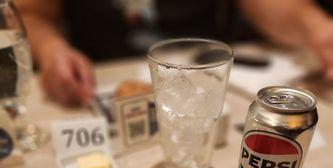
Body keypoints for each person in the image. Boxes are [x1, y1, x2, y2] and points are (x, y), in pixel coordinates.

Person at [15, 0, 333, 106]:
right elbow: (31, 12)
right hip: (97, 83)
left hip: (208, 83)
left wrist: (318, 29)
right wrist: (51, 48)